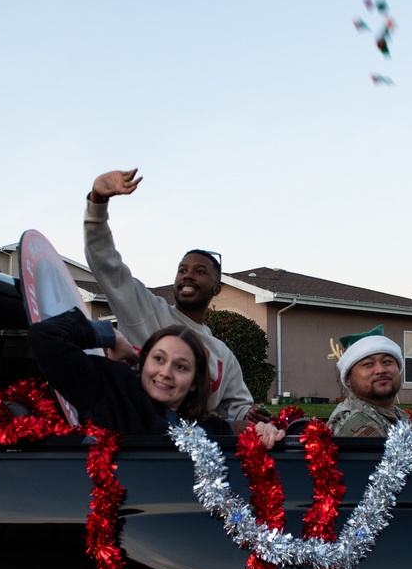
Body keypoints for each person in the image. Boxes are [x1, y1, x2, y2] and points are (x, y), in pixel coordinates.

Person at [83, 168, 272, 434]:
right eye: (182, 270)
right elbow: (107, 265)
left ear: (216, 289)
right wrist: (97, 204)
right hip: (135, 441)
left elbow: (237, 408)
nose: (188, 276)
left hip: (191, 454)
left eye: (200, 271)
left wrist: (248, 414)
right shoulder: (146, 310)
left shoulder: (222, 354)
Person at [28, 308, 283, 448]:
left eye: (181, 367)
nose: (165, 372)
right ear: (144, 359)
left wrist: (264, 429)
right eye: (158, 359)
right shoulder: (113, 390)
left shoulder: (202, 427)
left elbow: (235, 430)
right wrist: (112, 337)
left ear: (195, 381)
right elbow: (46, 337)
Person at [327, 325, 412, 437]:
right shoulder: (358, 425)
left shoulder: (394, 415)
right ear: (348, 378)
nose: (381, 370)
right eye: (368, 364)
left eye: (387, 361)